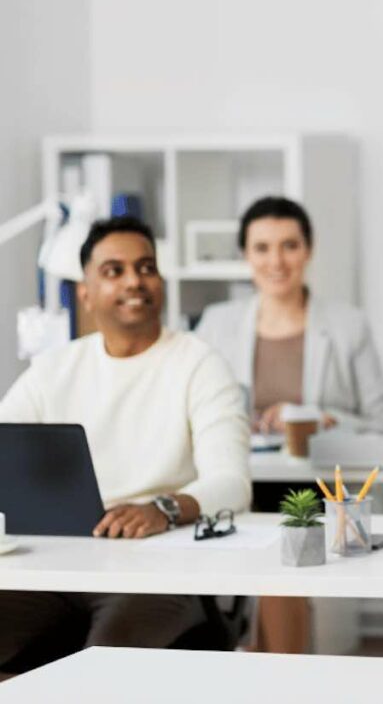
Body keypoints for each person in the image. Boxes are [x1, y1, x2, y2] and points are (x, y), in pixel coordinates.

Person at [0, 216, 251, 674]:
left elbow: (232, 483)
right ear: (86, 292)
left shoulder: (199, 363)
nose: (135, 280)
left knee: (106, 663)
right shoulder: (53, 369)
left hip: (156, 570)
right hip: (57, 566)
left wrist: (163, 508)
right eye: (114, 271)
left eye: (146, 267)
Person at [195, 196, 383, 654]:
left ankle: (279, 664)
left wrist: (317, 419)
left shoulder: (346, 325)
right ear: (245, 255)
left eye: (289, 246)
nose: (276, 261)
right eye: (262, 248)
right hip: (241, 480)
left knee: (289, 528)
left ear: (308, 250)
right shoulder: (216, 324)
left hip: (312, 483)